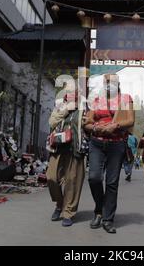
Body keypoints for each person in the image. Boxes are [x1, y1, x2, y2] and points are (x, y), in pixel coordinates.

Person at [84, 74, 135, 234]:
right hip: (97, 143)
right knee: (94, 177)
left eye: (112, 81)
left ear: (118, 83)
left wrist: (115, 125)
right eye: (106, 81)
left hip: (117, 143)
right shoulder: (97, 100)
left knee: (112, 183)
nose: (109, 84)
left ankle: (107, 219)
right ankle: (99, 209)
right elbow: (87, 122)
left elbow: (131, 120)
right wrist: (95, 128)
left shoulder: (126, 98)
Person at [46, 89, 85, 227]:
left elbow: (88, 125)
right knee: (51, 177)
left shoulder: (84, 108)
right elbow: (52, 122)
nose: (71, 95)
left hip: (75, 148)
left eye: (75, 92)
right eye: (68, 92)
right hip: (58, 147)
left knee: (72, 181)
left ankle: (68, 212)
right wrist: (67, 109)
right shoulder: (60, 106)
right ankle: (59, 204)